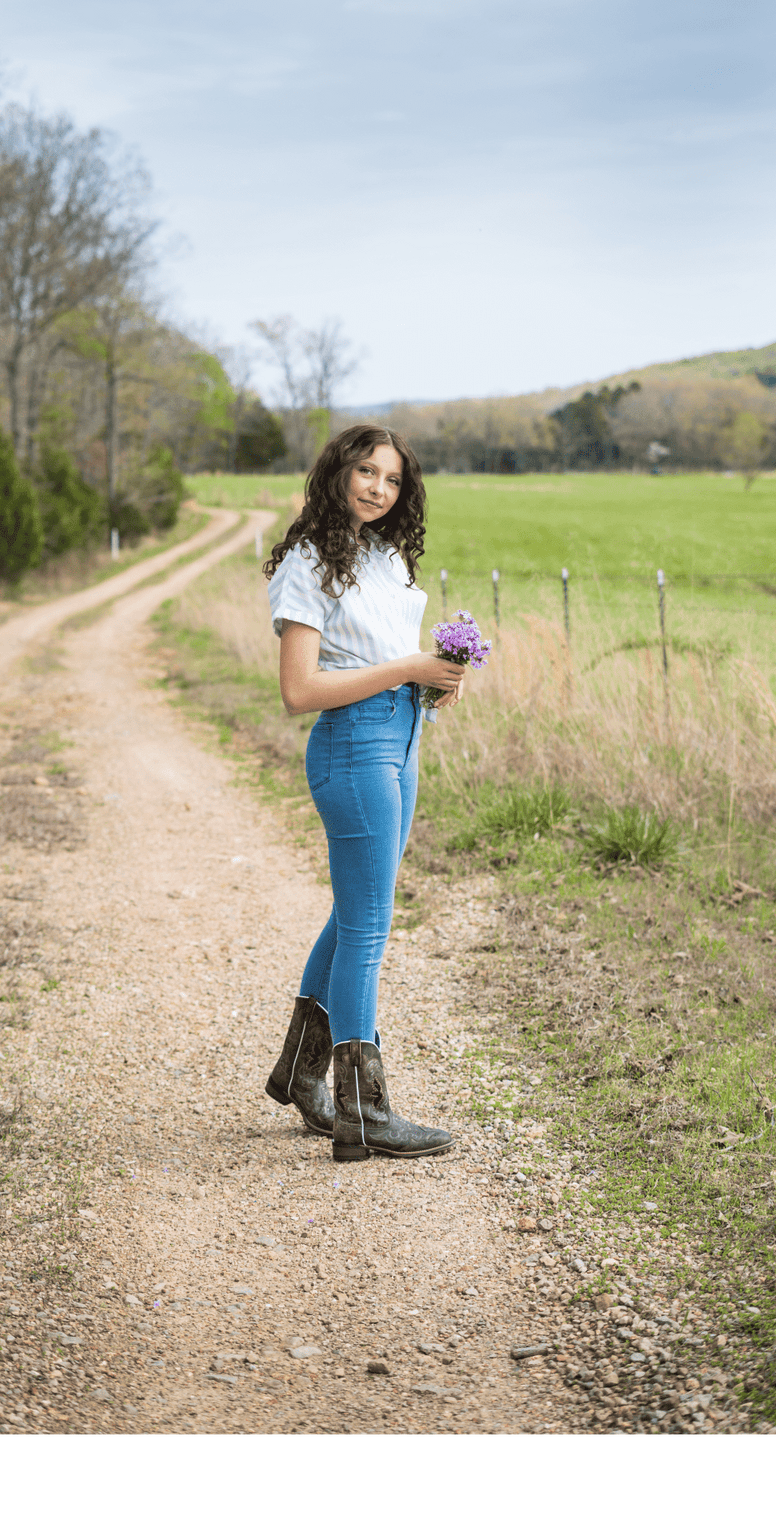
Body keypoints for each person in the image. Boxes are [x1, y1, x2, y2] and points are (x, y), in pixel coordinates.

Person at [262, 425, 465, 1162]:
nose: (378, 487)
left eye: (392, 477)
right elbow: (298, 690)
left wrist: (434, 679)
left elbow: (387, 658)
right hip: (352, 744)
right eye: (366, 470)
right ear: (337, 470)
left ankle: (300, 1072)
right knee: (371, 925)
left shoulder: (383, 558)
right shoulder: (308, 563)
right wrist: (406, 667)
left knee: (357, 911)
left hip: (402, 737)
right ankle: (362, 1110)